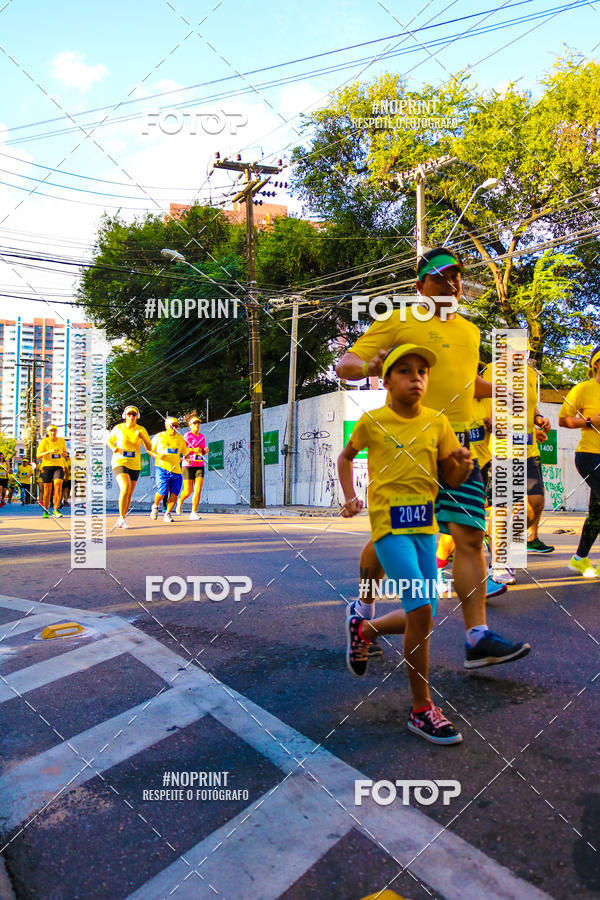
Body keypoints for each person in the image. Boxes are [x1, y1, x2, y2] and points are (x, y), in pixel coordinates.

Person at [336, 246, 530, 669]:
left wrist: (501, 391)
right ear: (420, 285)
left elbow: (466, 381)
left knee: (470, 537)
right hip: (411, 451)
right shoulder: (399, 320)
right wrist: (370, 366)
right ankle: (363, 609)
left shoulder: (470, 331)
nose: (451, 283)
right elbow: (346, 365)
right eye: (440, 277)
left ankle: (477, 636)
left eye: (456, 276)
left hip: (461, 451)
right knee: (392, 538)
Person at [340, 344, 473, 744]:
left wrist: (462, 466)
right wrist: (350, 497)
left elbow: (451, 477)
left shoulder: (437, 422)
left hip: (425, 527)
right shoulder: (373, 421)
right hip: (388, 526)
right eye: (405, 371)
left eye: (422, 371)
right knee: (420, 609)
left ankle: (364, 630)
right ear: (386, 381)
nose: (416, 377)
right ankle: (421, 709)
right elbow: (346, 457)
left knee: (425, 616)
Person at [483, 344, 554, 556]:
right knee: (501, 507)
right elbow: (484, 403)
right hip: (502, 449)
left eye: (525, 351)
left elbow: (531, 405)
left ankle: (502, 538)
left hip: (528, 450)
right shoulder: (491, 370)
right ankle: (497, 554)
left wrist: (539, 418)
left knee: (536, 503)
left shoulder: (530, 374)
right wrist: (490, 421)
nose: (523, 355)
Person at [436, 395, 510, 593]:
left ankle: (479, 578)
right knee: (461, 527)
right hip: (455, 466)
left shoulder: (488, 400)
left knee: (470, 526)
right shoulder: (450, 397)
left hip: (481, 466)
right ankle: (441, 572)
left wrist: (496, 426)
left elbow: (505, 431)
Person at [558, 343, 600, 577]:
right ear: (597, 364)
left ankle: (579, 559)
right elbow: (563, 420)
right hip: (590, 456)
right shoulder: (583, 389)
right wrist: (590, 421)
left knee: (597, 512)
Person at [107, 406, 152, 529]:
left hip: (135, 464)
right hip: (120, 461)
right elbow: (109, 441)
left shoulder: (141, 429)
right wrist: (113, 448)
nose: (131, 416)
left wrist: (143, 437)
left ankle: (123, 517)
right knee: (125, 487)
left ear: (137, 416)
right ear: (125, 416)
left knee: (129, 493)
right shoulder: (118, 428)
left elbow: (149, 448)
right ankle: (121, 518)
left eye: (134, 414)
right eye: (129, 414)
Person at [150, 417, 187, 523]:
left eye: (176, 425)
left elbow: (185, 452)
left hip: (176, 470)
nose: (174, 427)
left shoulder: (180, 438)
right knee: (162, 492)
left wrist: (189, 455)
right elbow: (150, 449)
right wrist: (157, 456)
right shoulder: (160, 436)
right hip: (162, 468)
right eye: (172, 425)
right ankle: (155, 505)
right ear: (166, 426)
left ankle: (167, 513)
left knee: (174, 494)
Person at [176, 412, 207, 519]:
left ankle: (193, 512)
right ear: (190, 425)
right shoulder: (187, 436)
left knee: (198, 489)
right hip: (188, 465)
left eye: (198, 423)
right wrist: (194, 449)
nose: (197, 425)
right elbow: (183, 450)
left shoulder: (202, 437)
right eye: (194, 423)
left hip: (199, 465)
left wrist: (204, 451)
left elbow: (201, 452)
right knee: (188, 491)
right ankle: (180, 501)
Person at [36, 425, 69, 518]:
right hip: (47, 466)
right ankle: (46, 510)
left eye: (54, 431)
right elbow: (38, 455)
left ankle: (56, 509)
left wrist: (62, 453)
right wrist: (49, 451)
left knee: (58, 485)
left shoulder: (61, 441)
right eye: (51, 431)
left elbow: (65, 453)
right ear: (47, 432)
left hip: (59, 466)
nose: (53, 432)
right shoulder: (44, 441)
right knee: (47, 490)